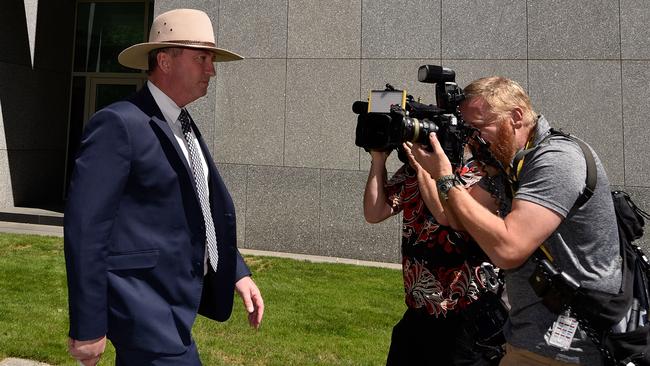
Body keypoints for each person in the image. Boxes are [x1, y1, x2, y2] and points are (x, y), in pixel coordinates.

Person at [64, 9, 264, 366]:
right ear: (164, 61)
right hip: (143, 309)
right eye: (202, 58)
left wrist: (236, 271)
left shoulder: (183, 125)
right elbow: (85, 230)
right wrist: (88, 325)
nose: (212, 70)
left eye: (212, 59)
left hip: (174, 306)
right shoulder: (119, 125)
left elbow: (200, 207)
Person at [412, 76, 622, 365]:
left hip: (568, 348)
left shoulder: (556, 159)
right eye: (467, 131)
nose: (473, 141)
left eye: (479, 128)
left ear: (516, 116)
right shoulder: (508, 167)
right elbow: (457, 217)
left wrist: (447, 178)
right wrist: (429, 168)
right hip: (529, 338)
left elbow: (509, 249)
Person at [364, 144, 502, 365]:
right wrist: (378, 159)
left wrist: (423, 168)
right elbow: (374, 211)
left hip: (465, 315)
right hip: (419, 310)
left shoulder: (483, 171)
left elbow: (446, 215)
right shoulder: (414, 170)